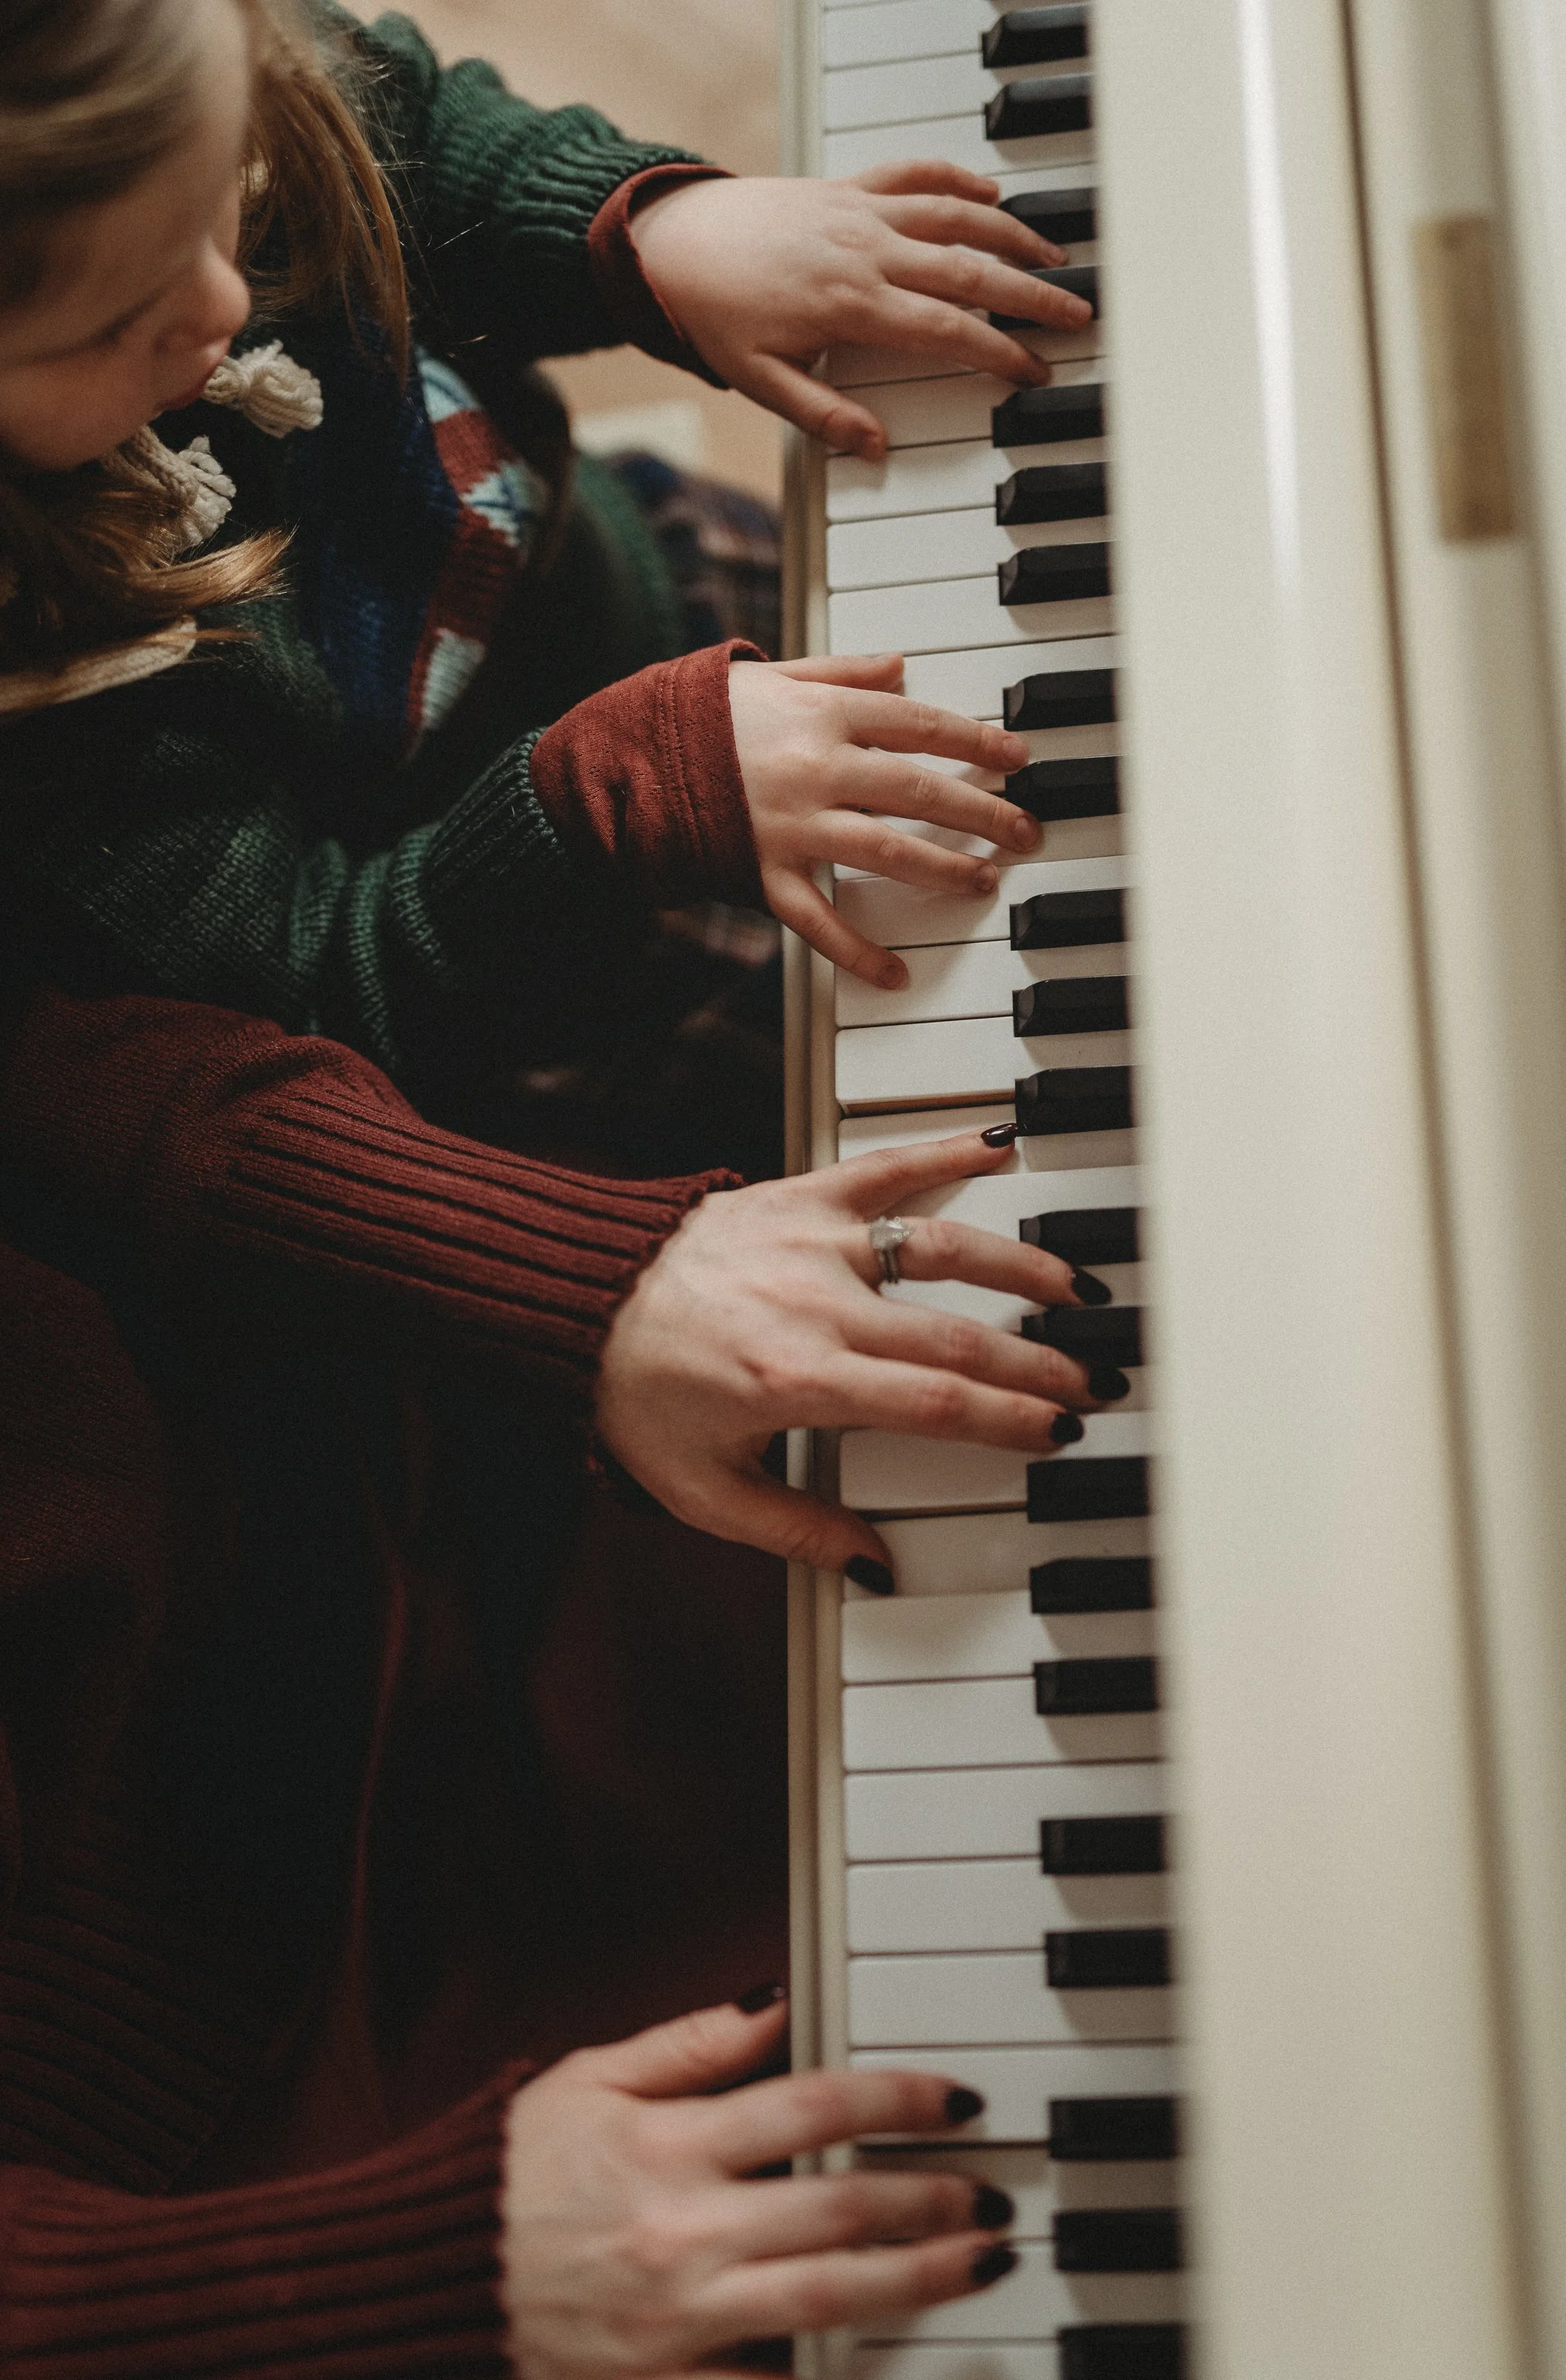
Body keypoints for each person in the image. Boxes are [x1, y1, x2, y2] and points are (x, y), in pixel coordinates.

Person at [0, 978, 1101, 2371]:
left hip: (408, 1431)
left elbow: (28, 1012)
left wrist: (558, 1272)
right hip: (241, 2200)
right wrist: (401, 2273)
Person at [0, 0, 1092, 1117]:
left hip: (647, 563)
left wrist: (645, 229)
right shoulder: (42, 719)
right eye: (112, 323)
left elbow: (397, 131)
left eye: (220, 186)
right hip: (603, 935)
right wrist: (616, 804)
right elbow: (319, 983)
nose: (223, 303)